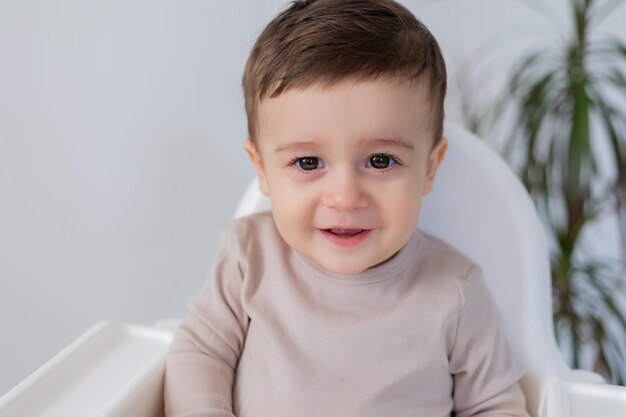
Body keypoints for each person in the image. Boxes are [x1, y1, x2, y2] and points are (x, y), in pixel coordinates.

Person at [164, 1, 530, 416]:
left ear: (429, 169)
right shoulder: (249, 256)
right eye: (308, 163)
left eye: (380, 161)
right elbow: (198, 355)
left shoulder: (456, 291)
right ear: (263, 170)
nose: (344, 197)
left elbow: (495, 404)